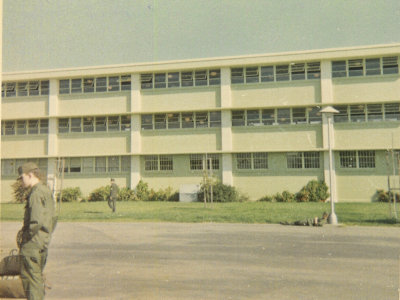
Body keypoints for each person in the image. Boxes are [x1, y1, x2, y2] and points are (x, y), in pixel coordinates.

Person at [17, 162, 57, 300]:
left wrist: (25, 237)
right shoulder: (45, 191)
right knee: (37, 281)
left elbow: (35, 221)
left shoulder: (35, 193)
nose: (21, 182)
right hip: (42, 242)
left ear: (30, 175)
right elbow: (53, 218)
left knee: (31, 283)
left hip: (32, 245)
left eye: (22, 178)